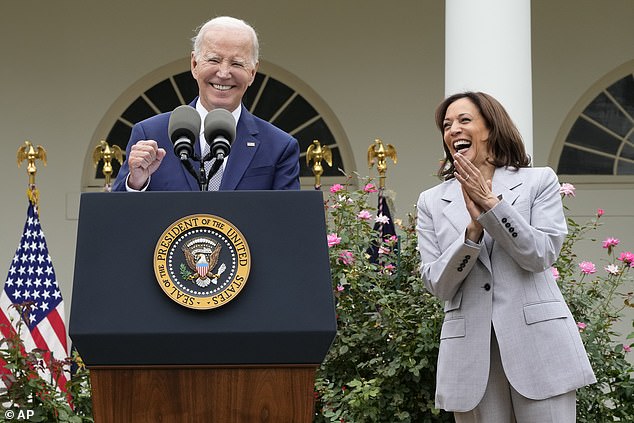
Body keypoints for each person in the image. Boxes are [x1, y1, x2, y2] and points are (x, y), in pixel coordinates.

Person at [416, 91, 595, 422]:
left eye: (464, 120)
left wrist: (492, 208)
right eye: (447, 124)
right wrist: (472, 233)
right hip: (471, 357)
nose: (453, 129)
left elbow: (540, 254)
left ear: (490, 127)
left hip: (540, 349)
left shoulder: (537, 181)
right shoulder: (431, 201)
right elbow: (437, 284)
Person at [112, 16, 300, 192]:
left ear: (252, 72)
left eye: (237, 63)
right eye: (214, 60)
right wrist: (136, 182)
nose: (224, 73)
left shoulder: (279, 146)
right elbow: (114, 218)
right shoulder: (151, 134)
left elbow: (289, 219)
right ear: (194, 64)